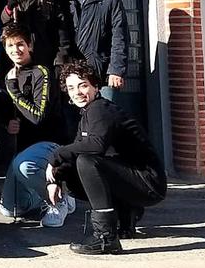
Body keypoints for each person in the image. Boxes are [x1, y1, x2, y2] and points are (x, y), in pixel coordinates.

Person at [46, 61, 167, 254]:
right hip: (135, 179)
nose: (77, 92)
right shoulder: (88, 113)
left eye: (83, 85)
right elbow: (79, 149)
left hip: (148, 183)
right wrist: (56, 178)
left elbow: (94, 147)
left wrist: (56, 155)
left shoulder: (100, 110)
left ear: (95, 86)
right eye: (71, 87)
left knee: (87, 163)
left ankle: (105, 237)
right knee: (74, 174)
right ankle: (126, 216)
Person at [0, 24, 77, 227]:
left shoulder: (41, 72)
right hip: (24, 148)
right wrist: (9, 124)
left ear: (29, 45)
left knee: (23, 165)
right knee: (10, 209)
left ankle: (60, 199)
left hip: (50, 144)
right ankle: (43, 196)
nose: (16, 50)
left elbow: (37, 116)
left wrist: (13, 89)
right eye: (10, 46)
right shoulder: (8, 76)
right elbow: (13, 112)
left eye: (20, 44)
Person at [54, 0, 129, 101]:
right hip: (70, 75)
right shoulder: (60, 1)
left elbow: (120, 37)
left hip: (102, 73)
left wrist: (116, 70)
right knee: (73, 121)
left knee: (104, 118)